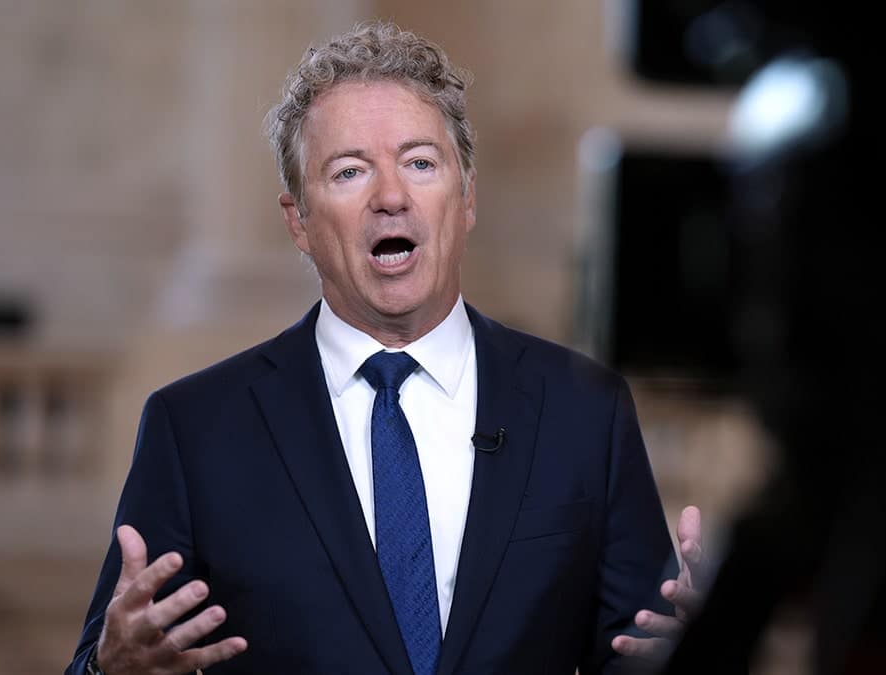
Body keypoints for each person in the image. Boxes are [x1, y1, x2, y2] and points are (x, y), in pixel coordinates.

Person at [65, 21, 702, 675]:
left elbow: (638, 652)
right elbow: (109, 655)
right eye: (349, 171)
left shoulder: (584, 408)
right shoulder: (195, 428)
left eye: (420, 163)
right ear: (299, 221)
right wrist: (110, 670)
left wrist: (698, 640)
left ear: (467, 196)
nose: (391, 197)